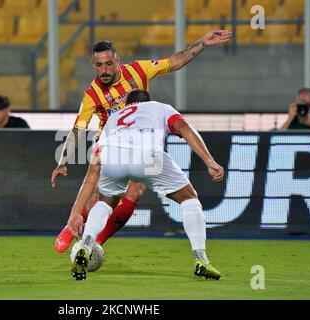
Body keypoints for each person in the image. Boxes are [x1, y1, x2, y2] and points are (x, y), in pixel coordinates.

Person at [52, 30, 232, 254]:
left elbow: (174, 62)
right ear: (93, 64)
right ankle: (73, 225)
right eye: (99, 65)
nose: (105, 70)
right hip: (111, 145)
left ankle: (95, 244)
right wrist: (62, 161)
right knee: (99, 199)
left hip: (141, 143)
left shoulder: (138, 70)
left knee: (135, 192)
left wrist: (202, 43)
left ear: (117, 61)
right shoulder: (92, 94)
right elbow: (78, 129)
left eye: (109, 64)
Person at [67, 89, 224, 281]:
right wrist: (210, 161)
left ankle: (87, 243)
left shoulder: (114, 117)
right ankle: (201, 260)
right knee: (189, 198)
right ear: (147, 101)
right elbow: (183, 127)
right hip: (147, 155)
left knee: (106, 202)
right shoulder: (160, 108)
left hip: (111, 156)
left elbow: (93, 170)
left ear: (127, 106)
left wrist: (76, 212)